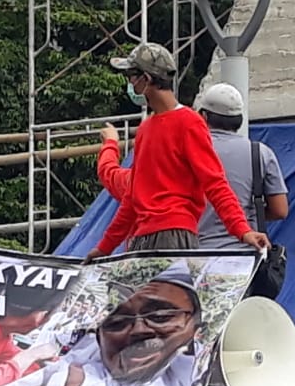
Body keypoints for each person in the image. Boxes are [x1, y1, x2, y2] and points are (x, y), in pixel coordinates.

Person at [3, 264, 205, 386]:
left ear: (197, 330)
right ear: (99, 336)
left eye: (160, 316)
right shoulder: (69, 376)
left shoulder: (195, 368)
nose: (138, 330)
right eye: (118, 322)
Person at [85, 43, 269, 258]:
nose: (130, 83)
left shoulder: (189, 122)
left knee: (163, 291)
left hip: (173, 235)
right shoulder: (146, 129)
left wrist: (242, 230)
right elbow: (133, 198)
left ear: (146, 79)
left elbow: (215, 182)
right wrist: (104, 247)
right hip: (143, 238)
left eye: (131, 77)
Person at [97, 83, 289, 251]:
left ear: (203, 116)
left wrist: (111, 144)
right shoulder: (260, 153)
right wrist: (244, 226)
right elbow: (279, 210)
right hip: (240, 254)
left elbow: (122, 182)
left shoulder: (173, 147)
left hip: (190, 247)